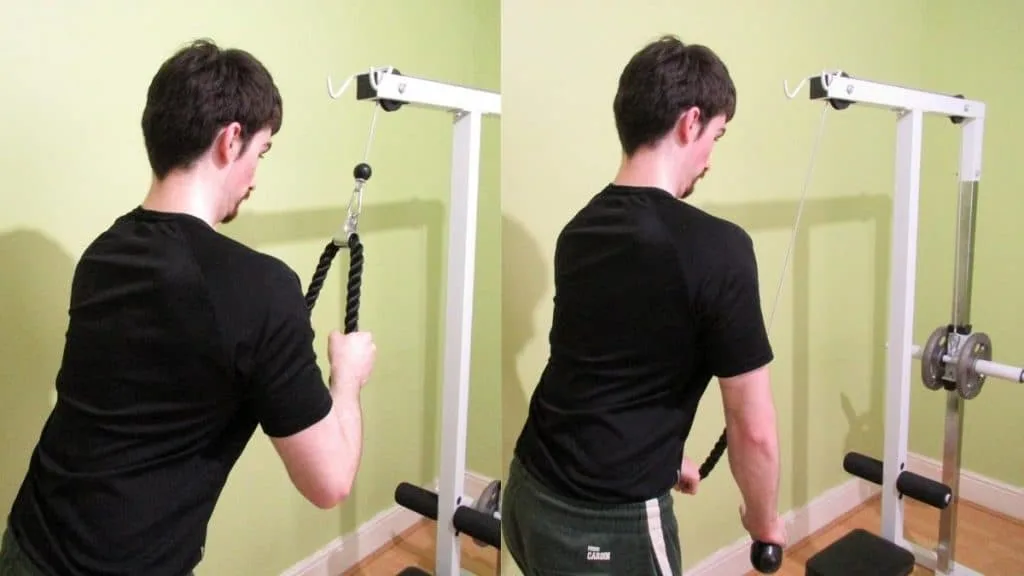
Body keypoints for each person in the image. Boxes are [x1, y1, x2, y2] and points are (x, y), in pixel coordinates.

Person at [0, 39, 377, 576]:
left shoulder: (103, 253)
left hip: (27, 542)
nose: (255, 178)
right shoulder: (261, 289)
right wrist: (348, 376)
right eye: (260, 152)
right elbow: (331, 481)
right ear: (230, 141)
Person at [501, 35, 786, 575]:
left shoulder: (579, 230)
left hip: (526, 493)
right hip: (603, 523)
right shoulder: (720, 248)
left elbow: (608, 367)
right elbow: (752, 427)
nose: (709, 161)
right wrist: (765, 521)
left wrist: (659, 453)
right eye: (715, 137)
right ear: (689, 122)